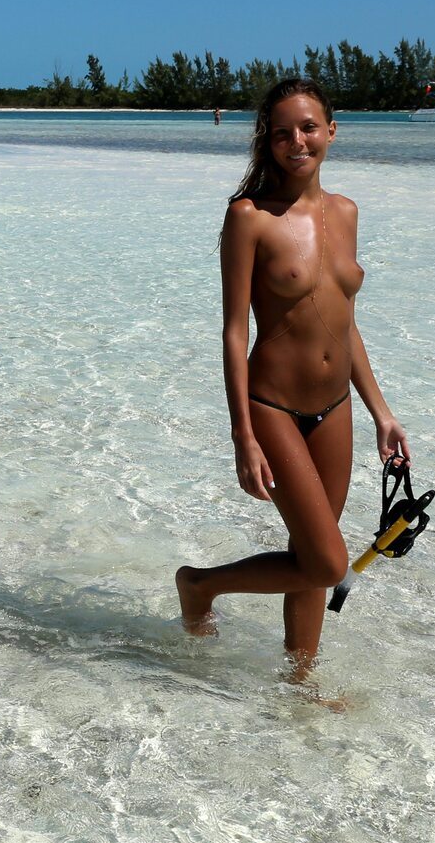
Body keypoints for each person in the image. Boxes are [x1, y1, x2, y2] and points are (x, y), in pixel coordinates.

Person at [175, 78, 409, 674]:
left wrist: (382, 412)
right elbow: (234, 331)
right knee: (330, 562)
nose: (296, 142)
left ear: (332, 130)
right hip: (272, 405)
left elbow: (344, 325)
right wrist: (242, 435)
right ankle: (201, 584)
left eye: (308, 128)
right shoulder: (249, 217)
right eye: (282, 133)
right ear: (268, 142)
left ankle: (300, 686)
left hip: (336, 409)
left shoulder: (348, 213)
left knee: (311, 554)